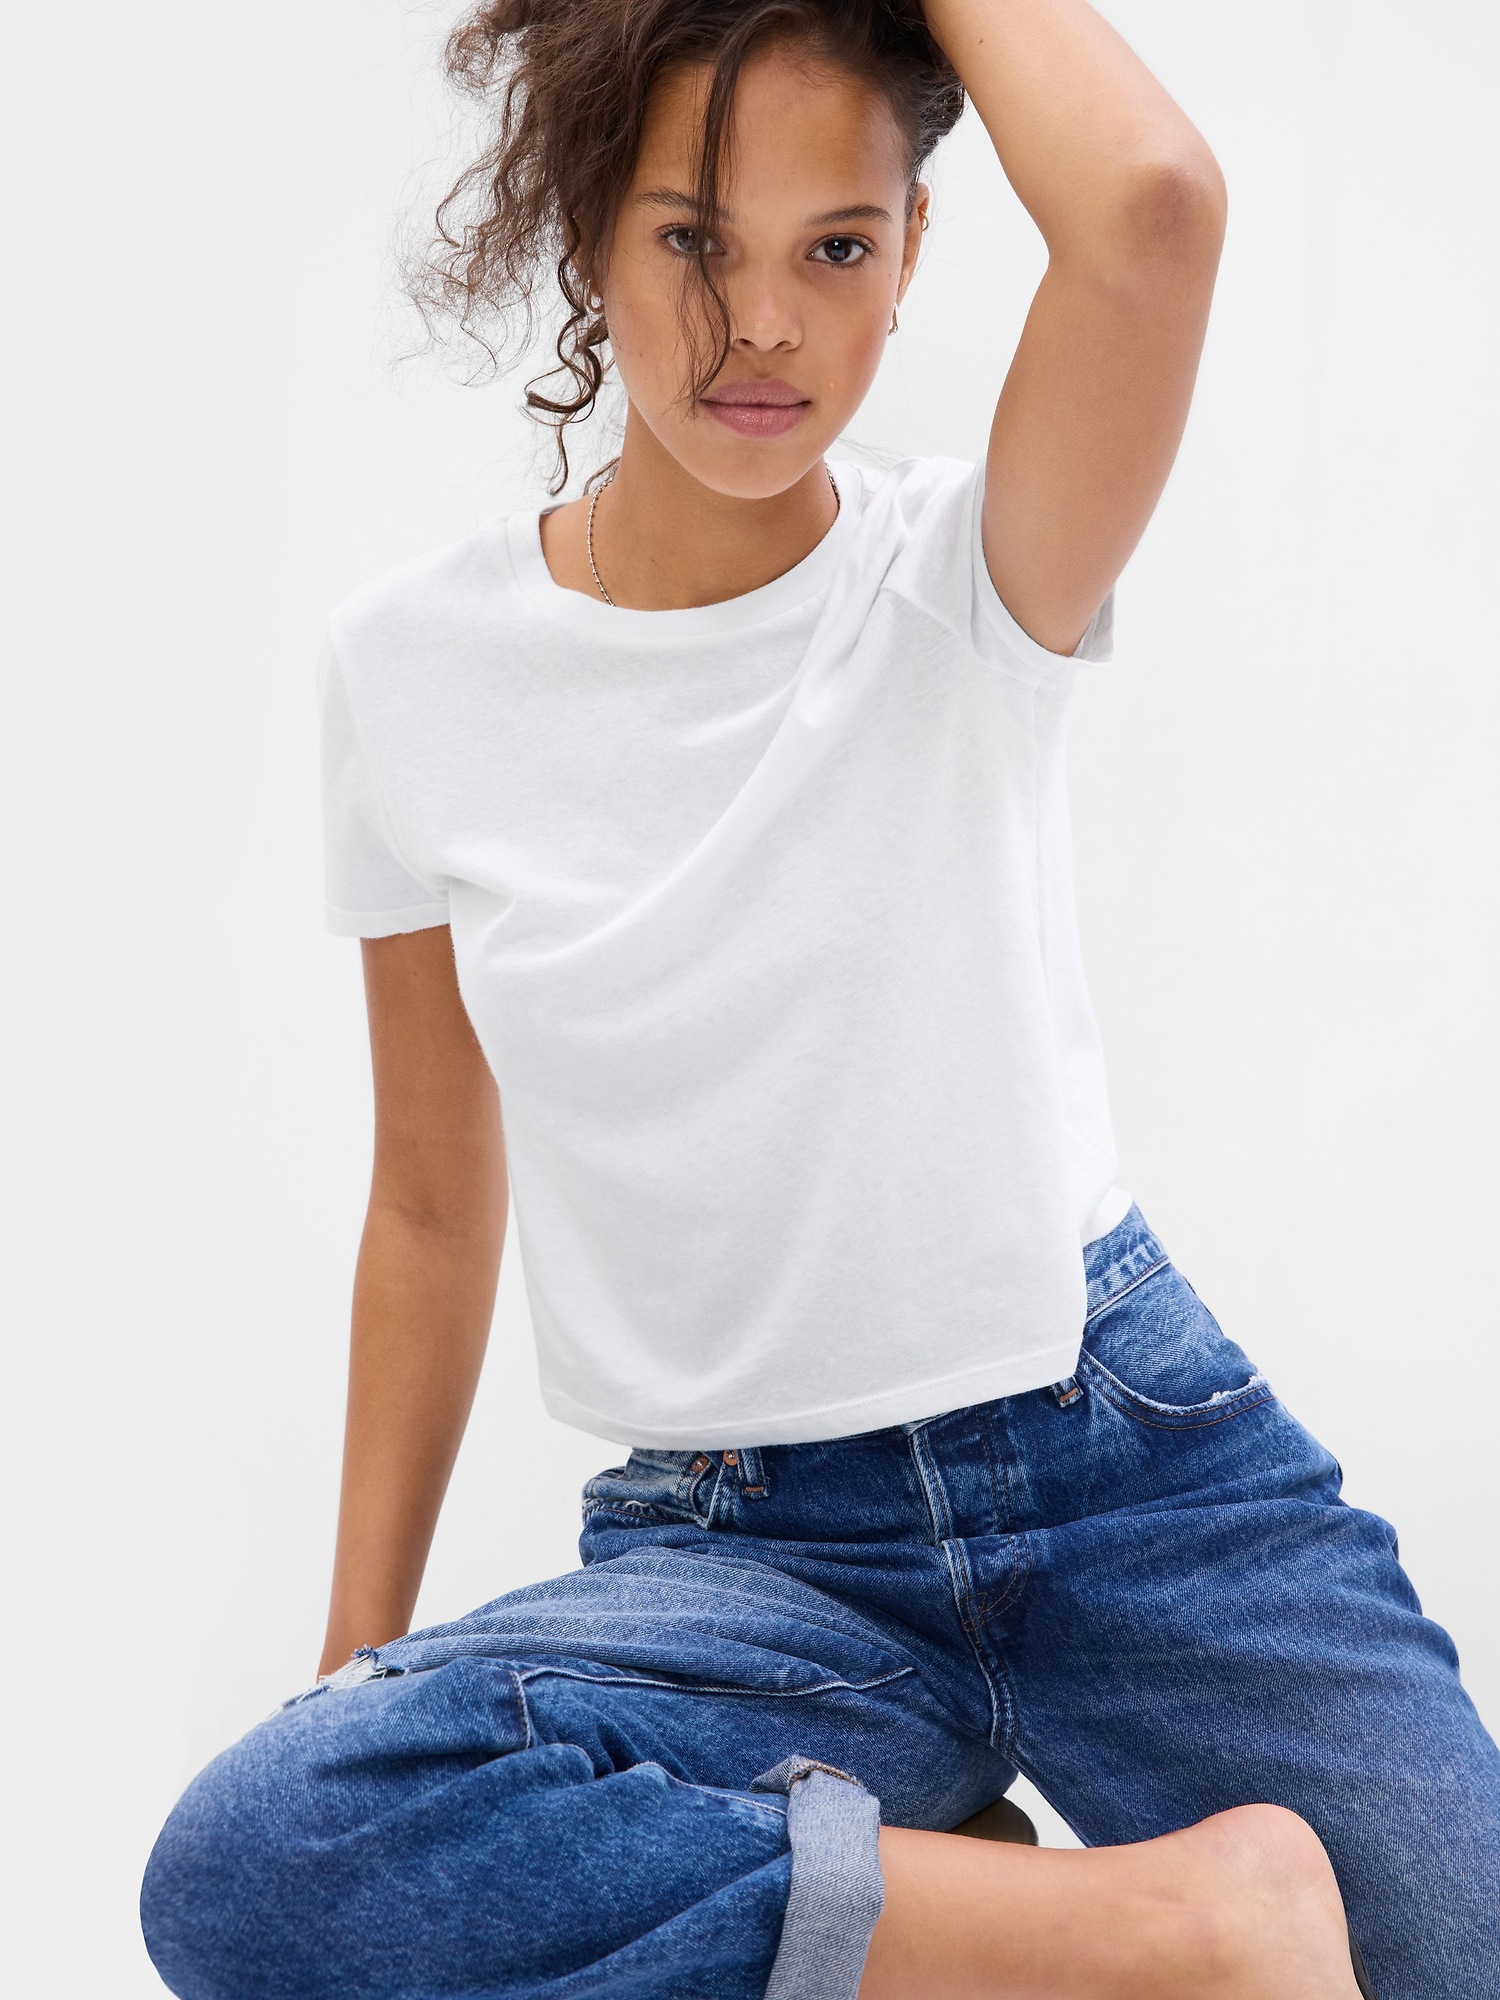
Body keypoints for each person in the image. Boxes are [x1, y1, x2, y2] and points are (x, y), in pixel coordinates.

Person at [140, 3, 1500, 1996]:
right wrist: (355, 1668)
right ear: (586, 231)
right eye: (694, 240)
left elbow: (1152, 202)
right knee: (265, 1861)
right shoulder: (415, 669)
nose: (763, 323)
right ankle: (1137, 1933)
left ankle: (881, 1907)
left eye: (837, 246)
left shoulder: (973, 571)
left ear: (915, 251)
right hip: (747, 1559)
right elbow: (430, 1204)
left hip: (1132, 1482)